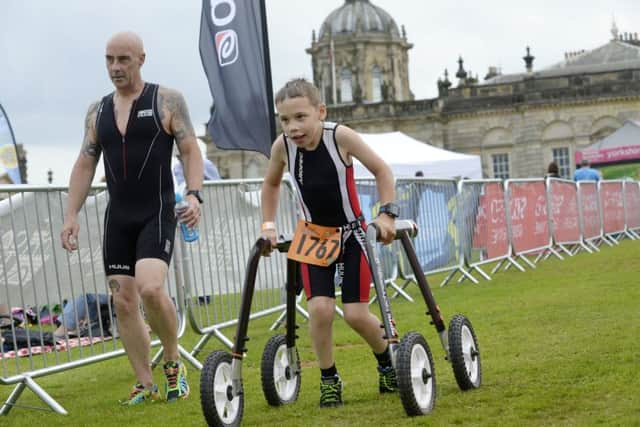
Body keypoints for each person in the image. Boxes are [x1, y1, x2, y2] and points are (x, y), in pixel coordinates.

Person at [60, 31, 203, 406]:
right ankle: (145, 382)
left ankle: (173, 363)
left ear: (141, 59)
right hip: (118, 217)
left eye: (123, 59)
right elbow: (85, 162)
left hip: (156, 211)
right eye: (109, 59)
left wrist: (193, 193)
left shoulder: (166, 100)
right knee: (123, 300)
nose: (115, 67)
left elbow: (190, 149)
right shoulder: (98, 110)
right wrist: (70, 215)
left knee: (152, 289)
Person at [260, 78, 398, 408]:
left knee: (355, 314)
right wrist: (268, 225)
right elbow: (271, 184)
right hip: (314, 237)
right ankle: (329, 378)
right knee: (319, 310)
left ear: (320, 112)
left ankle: (387, 362)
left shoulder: (340, 137)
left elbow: (382, 170)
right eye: (284, 120)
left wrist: (387, 214)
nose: (293, 127)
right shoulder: (282, 147)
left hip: (353, 235)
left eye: (300, 117)